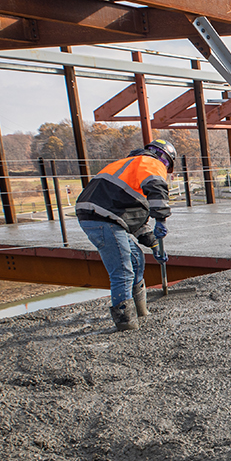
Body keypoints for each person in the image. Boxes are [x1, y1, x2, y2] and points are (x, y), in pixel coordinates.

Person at [75, 138, 175, 331]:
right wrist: (161, 219)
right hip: (103, 217)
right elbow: (156, 187)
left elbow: (133, 218)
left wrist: (154, 244)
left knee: (136, 258)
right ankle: (125, 322)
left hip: (102, 214)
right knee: (123, 270)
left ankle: (140, 310)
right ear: (165, 159)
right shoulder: (152, 163)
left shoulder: (128, 166)